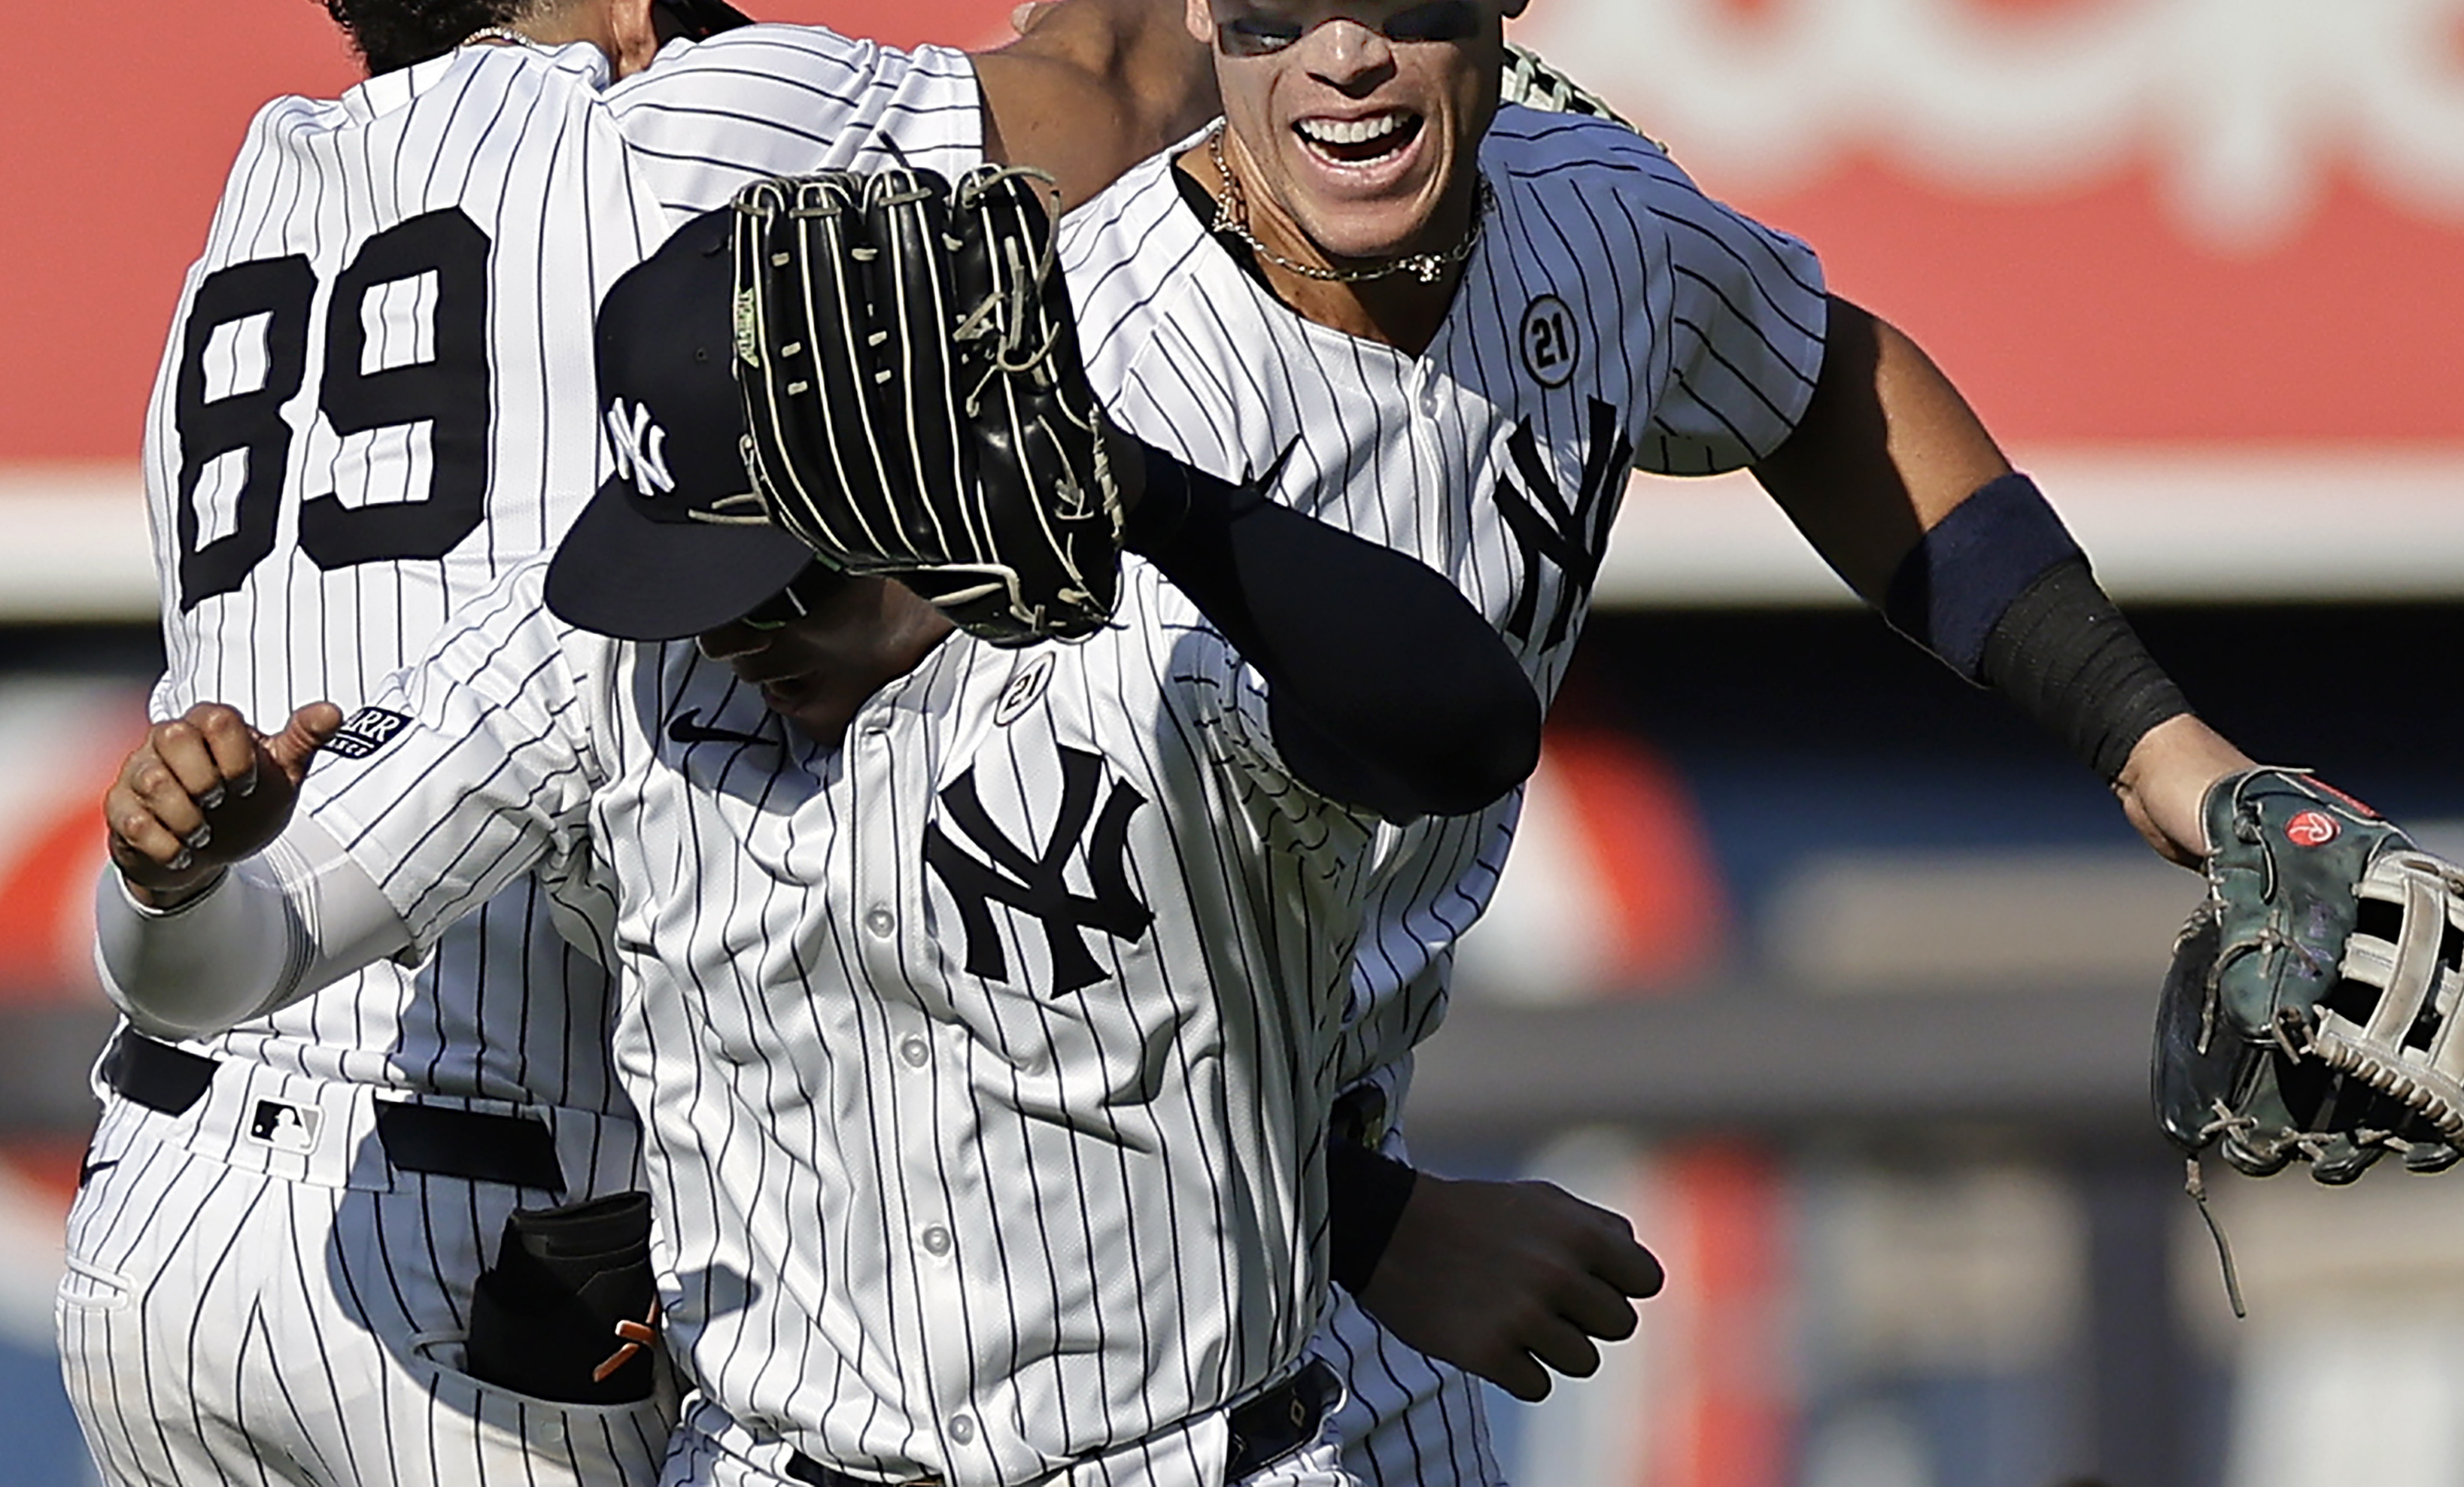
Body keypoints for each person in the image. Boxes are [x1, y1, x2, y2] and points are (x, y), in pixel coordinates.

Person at [1050, 0, 2261, 1482]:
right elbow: (975, 983)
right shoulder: (1104, 377)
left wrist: (2162, 745)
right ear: (1208, 10)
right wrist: (1375, 1223)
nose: (1345, 57)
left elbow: (1822, 378)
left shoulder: (1582, 211)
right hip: (1019, 1288)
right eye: (1281, 0)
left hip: (1320, 1221)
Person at [62, 0, 1216, 1487]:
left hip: (159, 1204)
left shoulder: (255, 190)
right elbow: (1114, 95)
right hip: (481, 1244)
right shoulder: (669, 113)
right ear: (635, 0)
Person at [96, 215, 1545, 1487]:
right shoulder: (606, 670)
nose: (727, 632)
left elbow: (1467, 735)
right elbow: (238, 964)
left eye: (770, 578)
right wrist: (175, 880)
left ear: (917, 476)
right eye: (691, 582)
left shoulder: (1154, 649)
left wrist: (1147, 493)